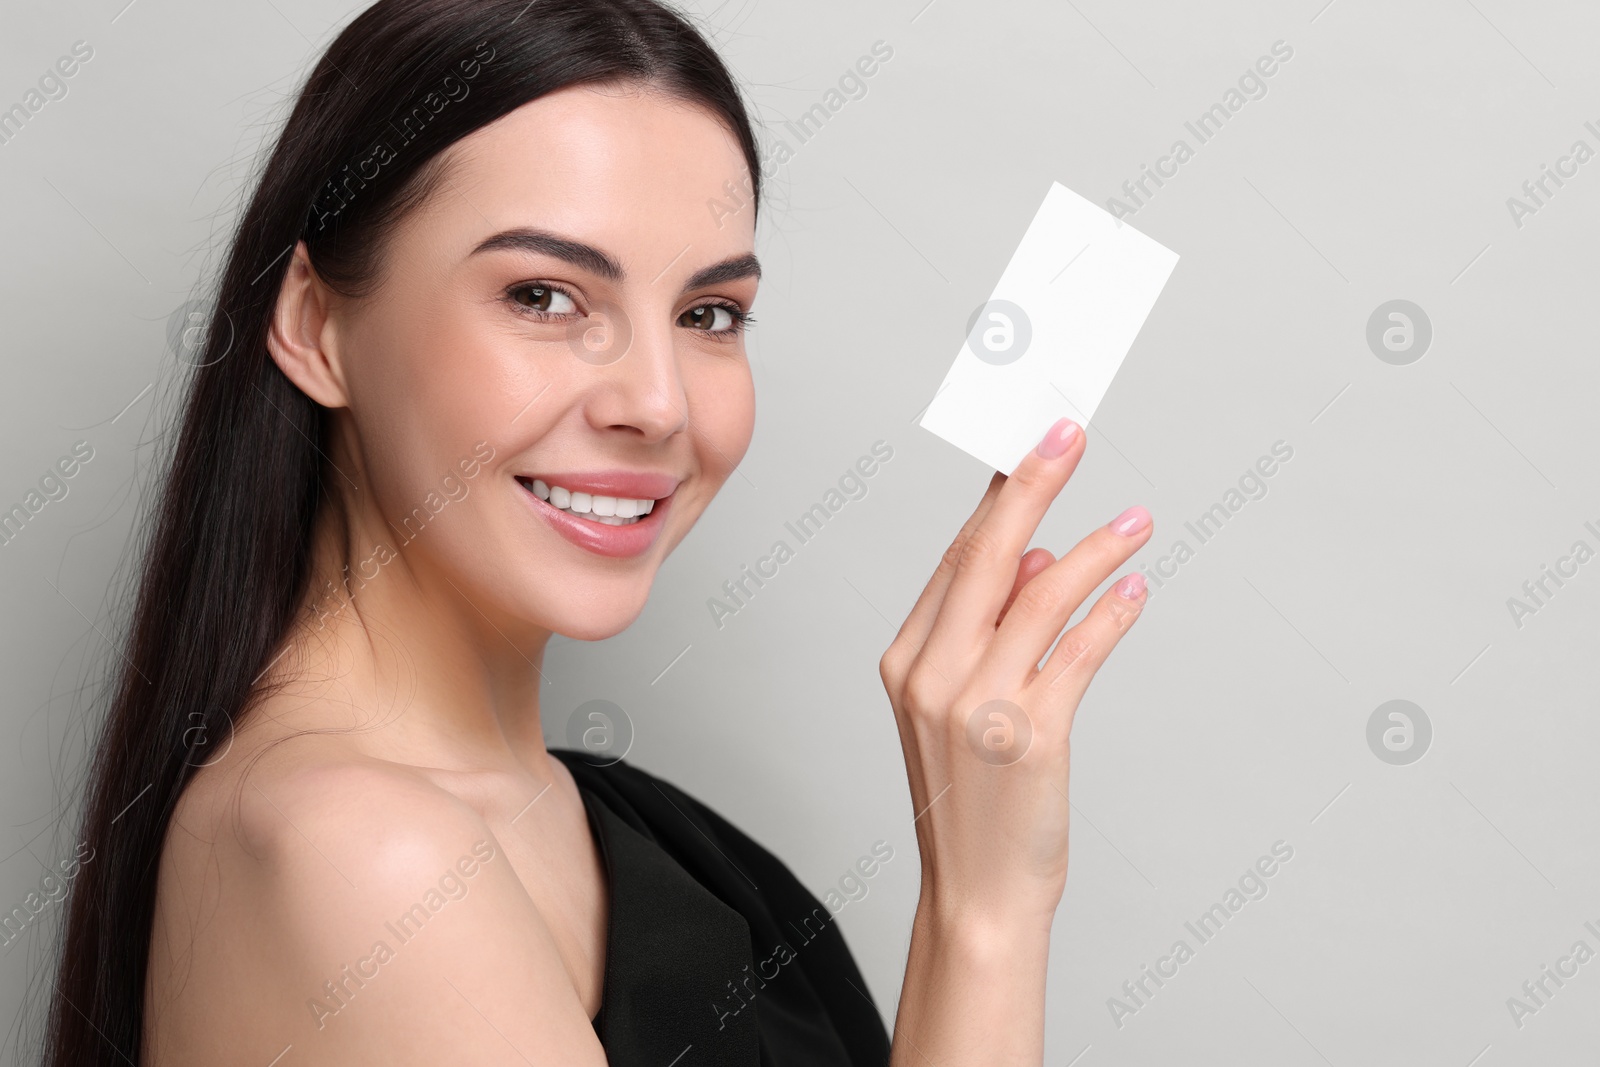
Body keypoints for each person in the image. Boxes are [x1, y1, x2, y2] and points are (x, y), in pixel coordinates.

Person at [44, 0, 1153, 1063]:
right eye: (545, 296)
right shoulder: (358, 853)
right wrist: (987, 909)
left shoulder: (654, 838)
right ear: (316, 325)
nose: (658, 402)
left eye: (707, 314)